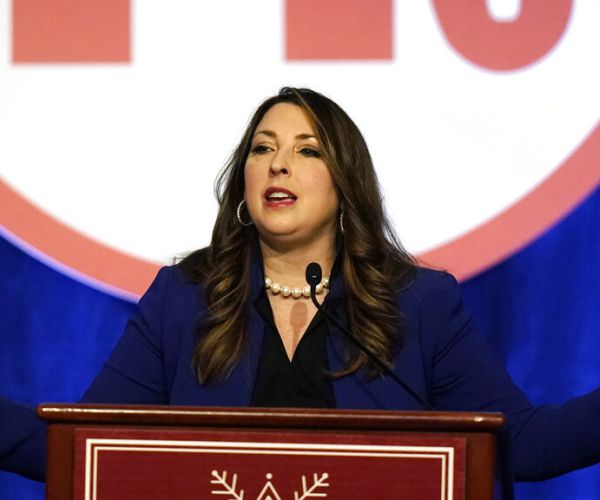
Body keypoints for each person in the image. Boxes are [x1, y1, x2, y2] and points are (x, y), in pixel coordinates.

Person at [1, 87, 599, 488]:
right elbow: (79, 450)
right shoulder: (184, 299)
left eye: (306, 150)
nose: (277, 164)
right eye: (262, 149)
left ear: (345, 186)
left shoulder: (417, 305)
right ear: (244, 182)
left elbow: (525, 445)